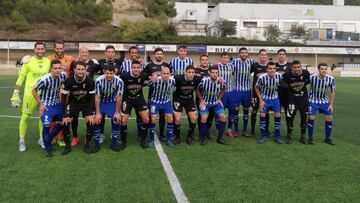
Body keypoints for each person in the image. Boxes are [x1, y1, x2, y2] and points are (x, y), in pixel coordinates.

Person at [11, 41, 51, 152]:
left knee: (42, 118)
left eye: (42, 49)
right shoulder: (28, 61)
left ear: (45, 50)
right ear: (34, 50)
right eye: (38, 49)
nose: (40, 51)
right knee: (25, 117)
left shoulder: (48, 62)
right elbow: (21, 77)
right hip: (30, 94)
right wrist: (15, 93)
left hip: (43, 95)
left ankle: (41, 139)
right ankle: (22, 140)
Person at [60, 61, 97, 155]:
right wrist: (65, 114)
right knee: (66, 121)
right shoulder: (69, 81)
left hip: (86, 103)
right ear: (74, 70)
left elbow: (92, 98)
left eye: (82, 69)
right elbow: (63, 98)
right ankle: (67, 145)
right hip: (73, 103)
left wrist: (90, 112)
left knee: (91, 121)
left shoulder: (90, 81)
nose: (80, 71)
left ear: (85, 70)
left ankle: (87, 144)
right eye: (78, 69)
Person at [32, 59, 66, 157]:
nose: (57, 70)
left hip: (57, 105)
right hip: (46, 107)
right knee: (46, 127)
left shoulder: (63, 76)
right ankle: (48, 150)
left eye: (59, 68)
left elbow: (63, 84)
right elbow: (34, 91)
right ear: (51, 69)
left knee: (63, 123)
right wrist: (41, 104)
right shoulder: (44, 79)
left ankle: (50, 138)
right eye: (55, 68)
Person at [69, 46, 100, 147]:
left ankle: (87, 138)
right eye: (82, 52)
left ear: (88, 53)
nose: (84, 54)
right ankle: (75, 137)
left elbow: (104, 68)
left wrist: (97, 63)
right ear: (79, 53)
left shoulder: (93, 64)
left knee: (89, 117)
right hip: (76, 94)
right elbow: (70, 75)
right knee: (74, 118)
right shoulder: (74, 63)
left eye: (86, 52)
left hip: (88, 95)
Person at [48, 40, 75, 147]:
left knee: (62, 114)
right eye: (57, 48)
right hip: (52, 91)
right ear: (54, 48)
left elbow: (77, 68)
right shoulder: (49, 59)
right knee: (52, 116)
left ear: (64, 48)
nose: (59, 50)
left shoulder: (70, 59)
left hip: (65, 92)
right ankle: (51, 137)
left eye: (61, 48)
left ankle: (60, 137)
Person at [119, 60, 150, 149]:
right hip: (127, 99)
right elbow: (117, 81)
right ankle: (123, 141)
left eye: (138, 68)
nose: (136, 69)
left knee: (146, 119)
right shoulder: (125, 75)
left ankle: (143, 139)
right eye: (134, 68)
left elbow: (152, 78)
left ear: (140, 68)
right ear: (131, 68)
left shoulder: (143, 75)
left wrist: (155, 77)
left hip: (139, 99)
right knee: (124, 120)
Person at [93, 66, 123, 152]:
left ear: (114, 73)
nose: (109, 75)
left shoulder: (119, 81)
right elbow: (97, 97)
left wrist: (117, 112)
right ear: (104, 72)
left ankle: (114, 143)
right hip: (102, 102)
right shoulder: (99, 80)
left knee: (116, 119)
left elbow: (119, 97)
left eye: (111, 73)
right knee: (97, 120)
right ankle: (96, 143)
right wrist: (98, 113)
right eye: (107, 73)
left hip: (112, 102)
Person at [143, 48, 170, 141]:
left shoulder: (166, 65)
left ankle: (162, 134)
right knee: (152, 115)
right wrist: (151, 77)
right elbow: (144, 75)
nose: (159, 55)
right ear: (155, 54)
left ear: (163, 55)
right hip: (152, 94)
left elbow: (171, 77)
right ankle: (150, 134)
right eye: (158, 54)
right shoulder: (149, 65)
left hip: (163, 95)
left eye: (161, 54)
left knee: (162, 116)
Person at [196, 65, 227, 145]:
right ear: (209, 73)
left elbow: (224, 89)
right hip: (206, 103)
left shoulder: (221, 81)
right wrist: (201, 100)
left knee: (223, 117)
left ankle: (219, 138)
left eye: (216, 73)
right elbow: (197, 89)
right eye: (212, 72)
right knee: (203, 118)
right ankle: (203, 138)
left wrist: (219, 98)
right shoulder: (204, 81)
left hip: (215, 103)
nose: (214, 74)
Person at [281, 60, 310, 144]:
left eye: (298, 67)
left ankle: (303, 137)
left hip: (303, 99)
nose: (296, 69)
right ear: (291, 68)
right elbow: (282, 82)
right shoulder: (287, 74)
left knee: (304, 117)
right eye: (294, 67)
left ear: (301, 67)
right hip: (292, 99)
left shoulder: (305, 73)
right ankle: (289, 135)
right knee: (290, 117)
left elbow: (308, 81)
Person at [255, 62, 284, 144]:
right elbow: (256, 88)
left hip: (275, 99)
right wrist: (260, 100)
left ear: (275, 69)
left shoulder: (279, 76)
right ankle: (263, 137)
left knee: (278, 115)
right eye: (270, 68)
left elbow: (282, 84)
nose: (272, 70)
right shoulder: (262, 77)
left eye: (274, 68)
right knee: (262, 115)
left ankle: (277, 136)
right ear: (267, 69)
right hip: (264, 99)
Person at [98, 45, 122, 143]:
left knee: (115, 116)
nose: (110, 53)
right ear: (105, 53)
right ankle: (100, 133)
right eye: (108, 51)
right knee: (100, 117)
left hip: (114, 92)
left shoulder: (120, 62)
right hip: (102, 93)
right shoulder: (100, 62)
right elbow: (91, 68)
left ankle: (114, 133)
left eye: (112, 52)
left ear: (114, 53)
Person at [307, 63, 336, 145]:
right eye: (322, 69)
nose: (324, 70)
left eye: (325, 69)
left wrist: (331, 104)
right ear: (318, 70)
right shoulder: (312, 77)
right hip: (313, 101)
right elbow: (303, 84)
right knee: (311, 117)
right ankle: (310, 138)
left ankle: (327, 139)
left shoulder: (331, 79)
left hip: (324, 101)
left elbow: (333, 91)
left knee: (329, 118)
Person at [173, 65, 201, 145]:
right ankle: (177, 137)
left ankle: (189, 136)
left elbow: (208, 78)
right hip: (178, 100)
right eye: (189, 72)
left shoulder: (197, 78)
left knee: (193, 118)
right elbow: (167, 78)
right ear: (185, 72)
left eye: (193, 72)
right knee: (177, 119)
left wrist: (220, 78)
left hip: (189, 100)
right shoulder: (177, 78)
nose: (191, 74)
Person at [148, 66, 175, 148]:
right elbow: (147, 84)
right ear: (161, 73)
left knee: (170, 119)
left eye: (167, 73)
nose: (166, 75)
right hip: (155, 102)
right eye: (164, 73)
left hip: (166, 101)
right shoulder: (156, 80)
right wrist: (153, 78)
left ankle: (168, 139)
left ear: (170, 74)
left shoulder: (172, 80)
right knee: (153, 119)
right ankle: (152, 140)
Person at [230, 47, 254, 137]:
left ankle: (244, 130)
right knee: (236, 110)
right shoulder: (234, 62)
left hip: (247, 90)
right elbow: (228, 69)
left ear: (247, 54)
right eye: (242, 53)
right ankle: (236, 129)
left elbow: (254, 70)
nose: (244, 54)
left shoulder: (251, 62)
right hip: (237, 90)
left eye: (245, 53)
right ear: (239, 54)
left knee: (246, 110)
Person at [250, 49, 271, 137]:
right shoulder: (255, 65)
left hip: (266, 93)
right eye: (262, 54)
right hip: (255, 93)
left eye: (265, 54)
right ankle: (252, 130)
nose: (263, 56)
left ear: (267, 56)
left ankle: (266, 130)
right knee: (254, 110)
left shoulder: (270, 66)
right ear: (259, 56)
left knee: (266, 112)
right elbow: (248, 73)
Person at [195, 54, 215, 139]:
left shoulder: (211, 70)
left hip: (211, 97)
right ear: (200, 61)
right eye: (203, 60)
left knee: (211, 114)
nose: (204, 61)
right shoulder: (196, 70)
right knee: (202, 114)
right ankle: (201, 132)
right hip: (200, 97)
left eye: (206, 60)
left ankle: (207, 130)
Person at [216, 52, 235, 138]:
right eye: (223, 57)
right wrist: (217, 78)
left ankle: (229, 130)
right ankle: (218, 130)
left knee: (232, 111)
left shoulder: (231, 66)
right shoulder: (217, 66)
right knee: (219, 112)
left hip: (230, 92)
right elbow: (211, 75)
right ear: (221, 58)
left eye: (227, 58)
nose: (225, 59)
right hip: (220, 93)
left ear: (228, 59)